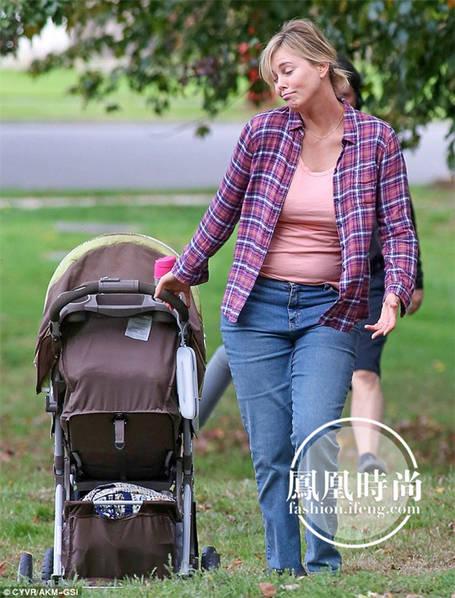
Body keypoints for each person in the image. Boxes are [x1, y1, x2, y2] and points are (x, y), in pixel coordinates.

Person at [155, 19, 418, 576]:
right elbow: (223, 210)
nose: (279, 83)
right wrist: (185, 270)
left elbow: (398, 229)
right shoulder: (263, 133)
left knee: (314, 436)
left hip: (331, 310)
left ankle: (322, 567)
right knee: (272, 449)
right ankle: (283, 567)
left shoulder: (376, 140)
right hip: (256, 310)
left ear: (322, 67)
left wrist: (394, 291)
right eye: (274, 75)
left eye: (288, 70)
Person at [335, 57, 425, 474]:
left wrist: (412, 278)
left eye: (347, 96)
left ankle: (368, 455)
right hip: (320, 279)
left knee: (364, 370)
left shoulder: (376, 140)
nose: (341, 104)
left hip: (373, 277)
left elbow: (400, 218)